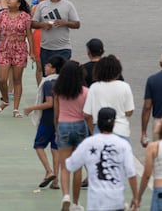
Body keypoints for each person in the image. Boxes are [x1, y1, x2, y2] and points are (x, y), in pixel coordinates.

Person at [65, 107, 139, 211]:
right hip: (116, 200)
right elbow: (131, 174)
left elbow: (70, 165)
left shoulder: (88, 143)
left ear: (98, 123)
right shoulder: (123, 145)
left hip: (96, 201)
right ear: (114, 124)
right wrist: (136, 197)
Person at [24, 56, 66, 190]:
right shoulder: (63, 81)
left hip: (47, 120)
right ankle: (56, 181)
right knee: (55, 149)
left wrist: (31, 108)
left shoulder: (48, 83)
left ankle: (49, 171)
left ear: (54, 69)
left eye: (48, 65)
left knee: (39, 145)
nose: (45, 67)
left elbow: (49, 103)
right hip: (60, 120)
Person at [0, 0, 34, 117]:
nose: (9, 0)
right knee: (2, 79)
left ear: (18, 4)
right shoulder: (1, 15)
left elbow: (29, 34)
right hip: (4, 47)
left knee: (17, 80)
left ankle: (16, 109)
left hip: (19, 49)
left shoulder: (25, 16)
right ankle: (5, 100)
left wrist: (31, 51)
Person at [54, 60, 89, 211]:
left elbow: (56, 113)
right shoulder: (85, 91)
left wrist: (57, 128)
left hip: (63, 125)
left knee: (65, 166)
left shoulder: (58, 91)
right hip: (80, 126)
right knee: (78, 167)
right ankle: (75, 202)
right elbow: (87, 114)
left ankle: (65, 195)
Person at [31, 0, 81, 70]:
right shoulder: (42, 5)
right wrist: (43, 25)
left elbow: (77, 24)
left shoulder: (68, 5)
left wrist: (65, 23)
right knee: (47, 76)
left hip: (63, 48)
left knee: (62, 76)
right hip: (45, 48)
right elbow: (33, 23)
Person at [83, 55, 134, 139]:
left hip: (99, 129)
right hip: (121, 130)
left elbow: (87, 114)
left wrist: (92, 130)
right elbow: (129, 112)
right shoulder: (125, 86)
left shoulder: (94, 87)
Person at [31, 0, 48, 85]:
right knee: (39, 66)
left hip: (49, 36)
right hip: (37, 36)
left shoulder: (52, 8)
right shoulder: (34, 8)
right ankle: (40, 88)